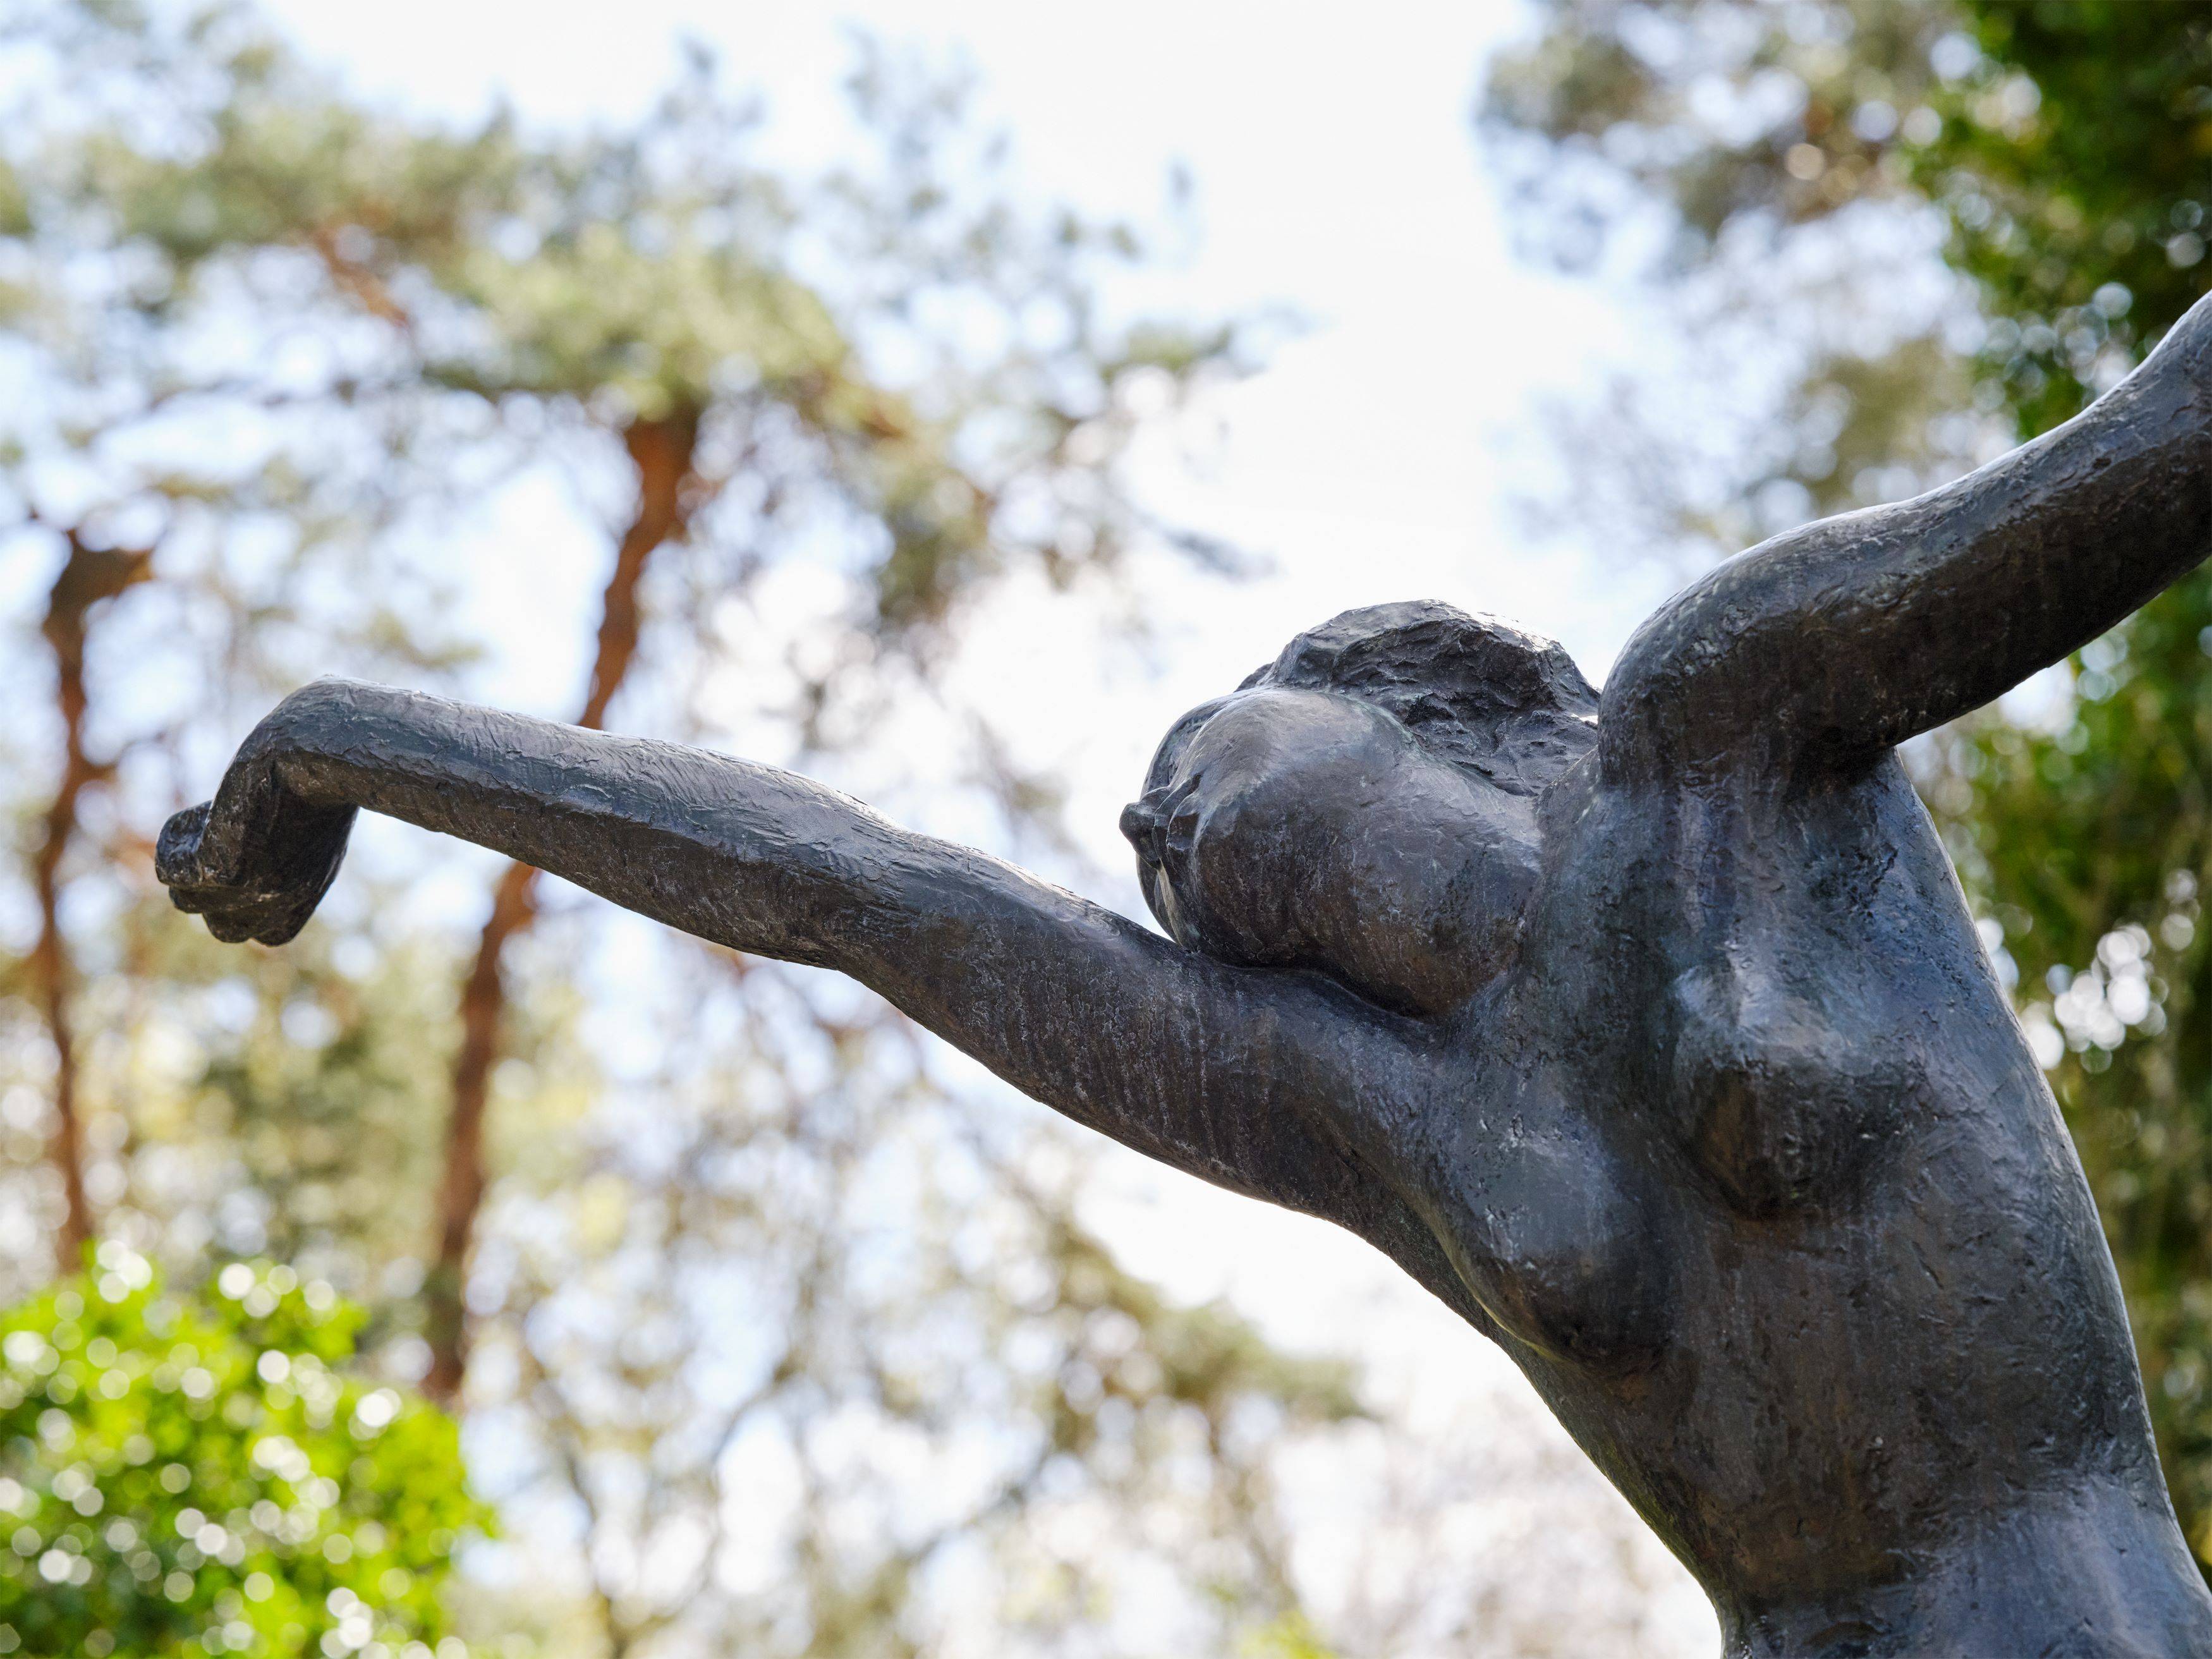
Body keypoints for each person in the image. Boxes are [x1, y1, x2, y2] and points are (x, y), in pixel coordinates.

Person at [161, 293, 2212, 1657]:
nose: (1147, 840)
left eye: (1186, 757)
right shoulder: (1357, 1109)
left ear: (1394, 695)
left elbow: (2148, 448)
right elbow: (860, 885)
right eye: (1147, 844)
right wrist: (346, 736)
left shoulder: (1724, 732)